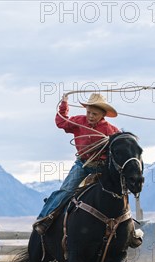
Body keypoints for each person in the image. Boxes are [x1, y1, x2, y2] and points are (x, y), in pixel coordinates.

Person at [33, 93, 141, 247]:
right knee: (66, 190)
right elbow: (61, 122)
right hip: (83, 165)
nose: (90, 116)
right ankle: (45, 219)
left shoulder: (111, 130)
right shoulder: (79, 122)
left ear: (103, 114)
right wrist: (64, 105)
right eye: (89, 112)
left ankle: (130, 230)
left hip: (102, 167)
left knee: (119, 192)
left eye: (95, 114)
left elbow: (121, 145)